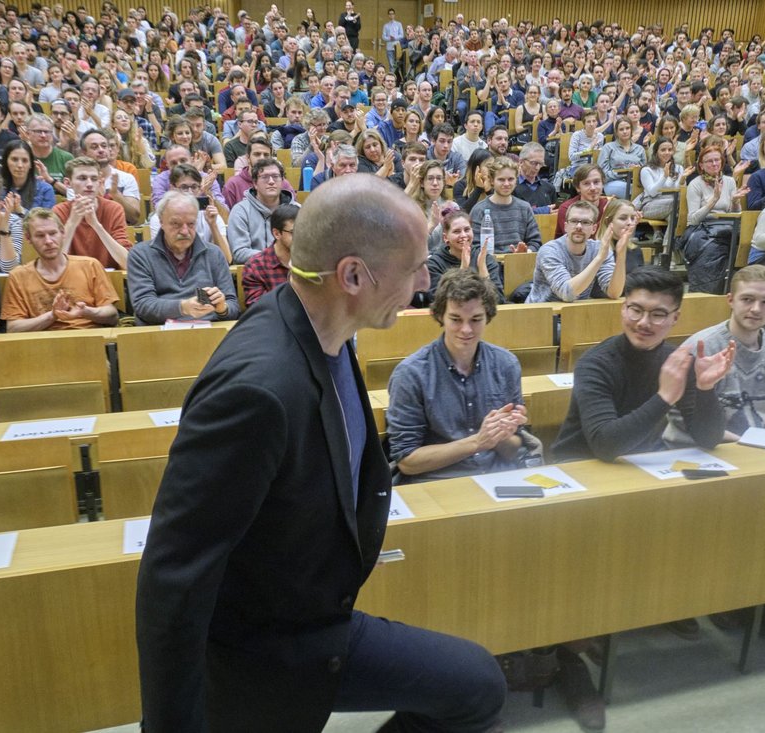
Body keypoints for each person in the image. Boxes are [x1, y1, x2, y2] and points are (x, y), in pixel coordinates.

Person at [135, 174, 505, 732]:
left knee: (474, 685)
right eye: (412, 268)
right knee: (474, 687)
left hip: (313, 607)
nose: (426, 280)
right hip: (268, 647)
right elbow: (175, 575)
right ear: (353, 275)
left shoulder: (324, 324)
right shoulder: (257, 390)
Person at [551, 266, 735, 462]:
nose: (643, 323)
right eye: (636, 310)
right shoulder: (595, 363)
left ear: (675, 318)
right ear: (623, 309)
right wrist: (664, 397)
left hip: (639, 465)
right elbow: (604, 445)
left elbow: (708, 438)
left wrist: (705, 388)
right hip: (580, 466)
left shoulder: (677, 363)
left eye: (657, 314)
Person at [388, 267, 528, 483]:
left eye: (475, 319)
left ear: (487, 317)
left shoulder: (506, 365)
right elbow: (407, 461)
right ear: (440, 317)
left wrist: (501, 436)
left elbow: (514, 449)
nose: (466, 330)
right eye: (455, 319)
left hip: (496, 479)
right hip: (438, 483)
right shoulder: (411, 374)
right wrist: (477, 442)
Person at [666, 264, 765, 443]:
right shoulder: (701, 347)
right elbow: (681, 416)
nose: (756, 309)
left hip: (753, 450)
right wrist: (746, 443)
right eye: (747, 299)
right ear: (730, 300)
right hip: (695, 449)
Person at [127, 191, 239, 326]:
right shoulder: (140, 255)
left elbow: (233, 307)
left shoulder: (214, 254)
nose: (185, 231)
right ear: (161, 222)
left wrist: (222, 308)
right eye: (176, 224)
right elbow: (143, 305)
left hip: (208, 331)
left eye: (191, 224)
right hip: (157, 334)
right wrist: (182, 307)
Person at [1, 209, 120, 332]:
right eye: (40, 235)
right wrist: (52, 315)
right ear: (28, 238)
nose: (48, 241)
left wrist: (86, 312)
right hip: (42, 345)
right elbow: (13, 328)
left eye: (53, 233)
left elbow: (112, 315)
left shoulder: (90, 265)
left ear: (62, 232)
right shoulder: (18, 276)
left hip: (88, 339)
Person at [528, 200, 630, 302]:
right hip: (541, 313)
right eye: (574, 221)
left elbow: (614, 293)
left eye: (586, 222)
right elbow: (567, 294)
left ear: (594, 229)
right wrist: (599, 259)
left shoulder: (599, 249)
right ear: (566, 226)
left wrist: (621, 255)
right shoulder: (550, 250)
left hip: (575, 312)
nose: (579, 227)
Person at [679, 147, 750, 293]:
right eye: (709, 161)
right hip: (702, 228)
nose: (714, 164)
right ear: (701, 165)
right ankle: (707, 290)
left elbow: (736, 215)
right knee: (712, 248)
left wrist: (736, 202)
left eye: (717, 160)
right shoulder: (696, 184)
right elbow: (693, 219)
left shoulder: (730, 181)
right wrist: (713, 200)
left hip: (728, 226)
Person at [52, 156, 132, 270]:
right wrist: (72, 223)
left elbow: (128, 263)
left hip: (110, 280)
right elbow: (55, 265)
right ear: (68, 183)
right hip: (72, 281)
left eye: (94, 179)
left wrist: (96, 226)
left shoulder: (114, 209)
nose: (89, 184)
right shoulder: (59, 211)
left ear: (100, 182)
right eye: (82, 178)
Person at [424, 209, 504, 304]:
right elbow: (440, 302)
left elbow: (499, 300)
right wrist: (463, 270)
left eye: (467, 230)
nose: (463, 235)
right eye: (457, 231)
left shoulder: (484, 258)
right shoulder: (435, 264)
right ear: (445, 238)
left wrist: (483, 270)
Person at [227, 158, 297, 263]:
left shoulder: (297, 210)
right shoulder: (240, 211)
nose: (271, 181)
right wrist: (277, 256)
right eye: (264, 177)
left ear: (282, 181)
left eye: (275, 177)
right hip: (256, 275)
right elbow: (240, 253)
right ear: (255, 183)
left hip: (292, 272)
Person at [470, 157, 541, 253]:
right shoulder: (479, 210)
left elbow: (536, 242)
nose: (506, 184)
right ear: (491, 181)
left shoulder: (525, 208)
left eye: (511, 179)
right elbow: (474, 246)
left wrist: (525, 251)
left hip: (518, 262)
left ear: (516, 180)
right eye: (501, 180)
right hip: (490, 264)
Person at [242, 203, 297, 308]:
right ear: (277, 234)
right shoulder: (255, 266)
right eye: (293, 232)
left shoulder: (313, 262)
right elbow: (259, 311)